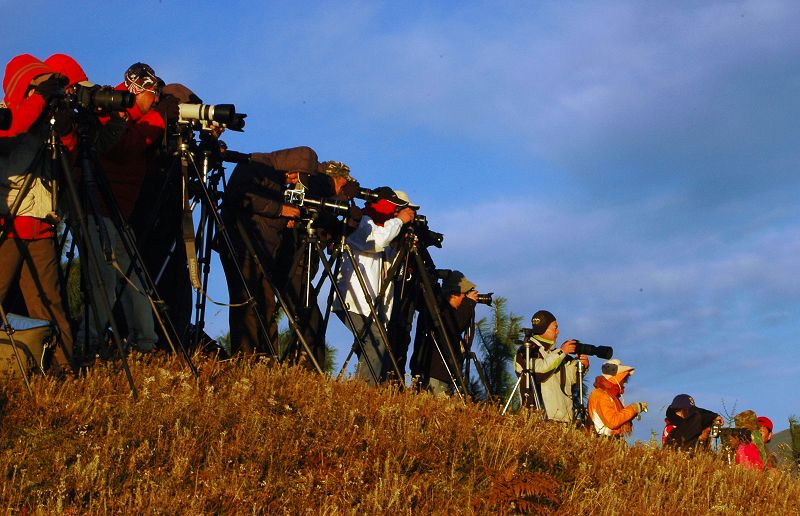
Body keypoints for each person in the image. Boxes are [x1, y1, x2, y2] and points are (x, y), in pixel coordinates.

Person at [76, 62, 177, 355]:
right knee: (105, 280)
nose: (156, 100)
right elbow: (123, 148)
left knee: (135, 279)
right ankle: (88, 342)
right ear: (137, 88)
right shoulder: (111, 108)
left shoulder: (146, 119)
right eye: (153, 93)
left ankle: (145, 345)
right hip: (97, 206)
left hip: (119, 213)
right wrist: (160, 120)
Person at [0, 54, 76, 374]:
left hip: (41, 224)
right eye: (39, 86)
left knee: (49, 304)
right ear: (23, 87)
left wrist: (65, 118)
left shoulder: (48, 125)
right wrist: (38, 103)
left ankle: (63, 369)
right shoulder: (7, 113)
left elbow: (71, 155)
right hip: (8, 221)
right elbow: (12, 129)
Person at [219, 146, 320, 358]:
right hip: (243, 247)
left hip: (262, 252)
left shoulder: (275, 176)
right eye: (297, 175)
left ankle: (264, 359)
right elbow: (240, 195)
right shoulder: (256, 165)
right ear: (292, 165)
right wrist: (280, 210)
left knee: (265, 305)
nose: (294, 180)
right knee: (248, 304)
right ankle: (247, 358)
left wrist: (284, 219)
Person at [333, 187, 414, 385]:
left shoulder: (383, 228)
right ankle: (363, 391)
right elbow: (376, 241)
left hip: (371, 303)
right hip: (355, 299)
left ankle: (368, 389)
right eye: (395, 209)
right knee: (375, 340)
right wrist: (399, 221)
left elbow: (389, 270)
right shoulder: (363, 221)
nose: (397, 213)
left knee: (374, 342)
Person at [410, 270, 478, 396]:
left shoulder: (441, 308)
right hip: (435, 374)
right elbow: (454, 326)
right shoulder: (439, 311)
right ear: (453, 294)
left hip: (442, 374)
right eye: (463, 294)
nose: (464, 298)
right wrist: (469, 304)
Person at [514, 310, 589, 422]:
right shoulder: (527, 351)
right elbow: (540, 372)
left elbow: (571, 379)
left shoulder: (555, 354)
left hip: (564, 418)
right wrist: (562, 352)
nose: (558, 332)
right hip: (540, 418)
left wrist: (582, 366)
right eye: (555, 328)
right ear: (543, 328)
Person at [586, 359, 647, 437]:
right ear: (616, 379)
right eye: (623, 379)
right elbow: (612, 422)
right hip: (603, 442)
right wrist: (633, 409)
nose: (625, 382)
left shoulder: (609, 395)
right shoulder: (600, 394)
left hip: (608, 442)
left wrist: (634, 411)